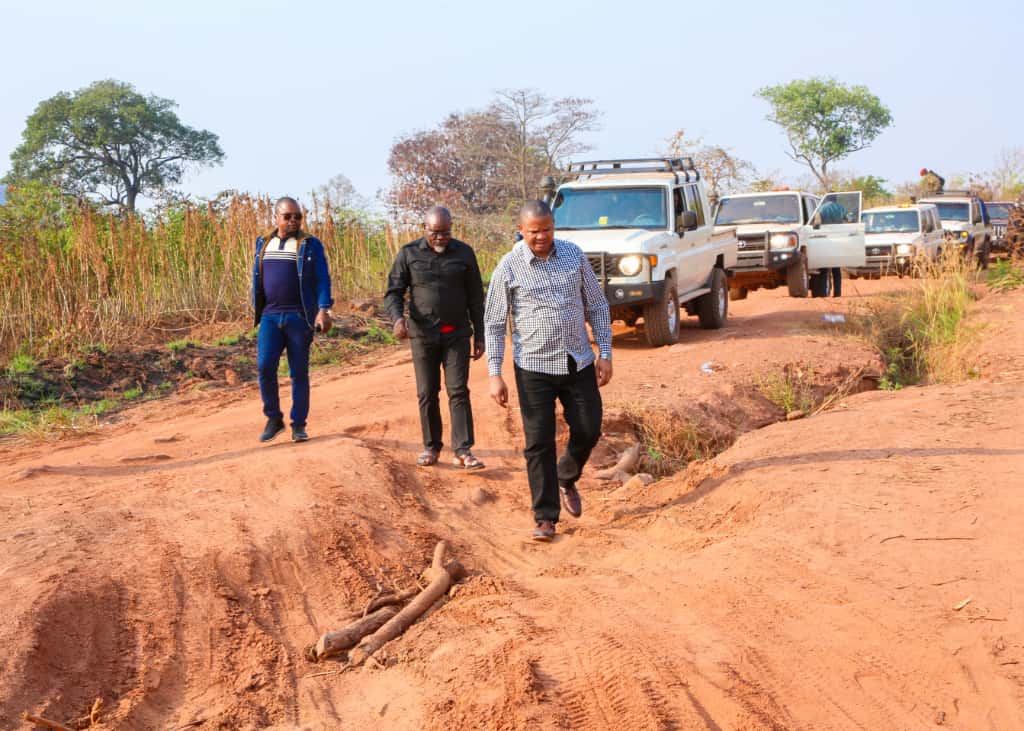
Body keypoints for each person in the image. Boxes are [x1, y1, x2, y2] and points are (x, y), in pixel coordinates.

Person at [484, 200, 613, 542]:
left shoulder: (573, 255)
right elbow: (494, 323)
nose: (541, 237)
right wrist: (494, 373)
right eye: (533, 231)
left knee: (588, 428)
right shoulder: (508, 266)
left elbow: (597, 304)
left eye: (546, 229)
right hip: (533, 368)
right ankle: (545, 518)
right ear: (521, 230)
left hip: (578, 361)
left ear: (554, 227)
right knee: (538, 442)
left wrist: (605, 352)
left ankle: (567, 475)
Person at [385, 206, 487, 469]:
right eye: (435, 233)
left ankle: (463, 450)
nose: (441, 238)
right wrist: (398, 319)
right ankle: (431, 447)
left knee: (458, 391)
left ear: (451, 228)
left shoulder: (464, 253)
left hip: (456, 334)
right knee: (427, 392)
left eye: (445, 232)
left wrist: (480, 334)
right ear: (424, 229)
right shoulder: (409, 253)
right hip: (423, 335)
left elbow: (476, 296)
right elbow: (393, 292)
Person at [252, 197, 333, 443]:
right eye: (288, 216)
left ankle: (299, 425)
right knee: (265, 366)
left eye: (297, 216)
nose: (294, 220)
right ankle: (274, 418)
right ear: (276, 217)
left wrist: (324, 309)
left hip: (299, 317)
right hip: (270, 317)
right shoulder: (263, 243)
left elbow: (322, 278)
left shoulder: (310, 245)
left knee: (299, 372)